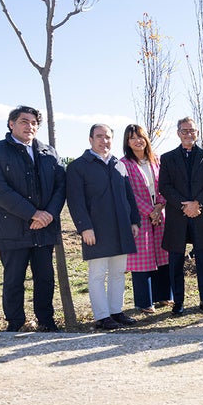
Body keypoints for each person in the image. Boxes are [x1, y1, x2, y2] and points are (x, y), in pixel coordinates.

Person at [0, 105, 65, 332]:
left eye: (34, 122)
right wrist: (33, 213)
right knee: (14, 279)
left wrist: (48, 215)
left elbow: (60, 186)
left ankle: (46, 322)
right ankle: (15, 323)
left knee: (45, 278)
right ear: (11, 124)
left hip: (44, 228)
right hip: (11, 228)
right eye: (24, 121)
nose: (30, 126)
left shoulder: (49, 153)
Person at [66, 124, 140, 330]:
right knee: (98, 274)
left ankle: (116, 312)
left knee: (118, 273)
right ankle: (102, 316)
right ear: (90, 139)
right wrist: (84, 227)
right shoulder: (78, 167)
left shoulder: (119, 164)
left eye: (107, 137)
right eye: (99, 136)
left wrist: (134, 220)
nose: (103, 140)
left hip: (122, 228)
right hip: (95, 230)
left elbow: (129, 196)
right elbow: (75, 201)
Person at [159, 117, 203, 316]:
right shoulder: (167, 158)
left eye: (192, 130)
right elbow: (164, 186)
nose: (188, 134)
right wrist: (183, 205)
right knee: (176, 262)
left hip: (202, 216)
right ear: (178, 133)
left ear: (197, 133)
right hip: (178, 216)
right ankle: (178, 302)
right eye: (184, 131)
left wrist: (197, 204)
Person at [120, 124, 172, 314]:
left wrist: (159, 207)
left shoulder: (156, 160)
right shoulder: (124, 163)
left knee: (163, 256)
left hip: (160, 213)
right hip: (139, 216)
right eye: (132, 138)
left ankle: (165, 295)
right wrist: (150, 211)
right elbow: (129, 194)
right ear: (127, 142)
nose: (137, 140)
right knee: (142, 260)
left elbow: (165, 185)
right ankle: (144, 302)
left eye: (140, 136)